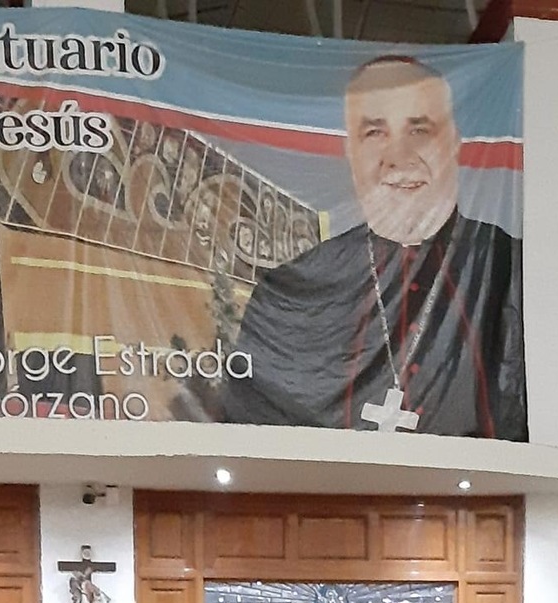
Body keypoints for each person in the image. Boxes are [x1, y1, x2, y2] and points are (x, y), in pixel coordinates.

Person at [221, 56, 525, 440]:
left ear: (454, 144)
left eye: (419, 130)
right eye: (375, 133)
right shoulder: (287, 294)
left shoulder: (511, 269)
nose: (398, 157)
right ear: (350, 152)